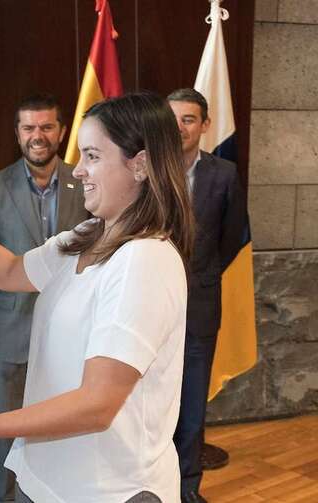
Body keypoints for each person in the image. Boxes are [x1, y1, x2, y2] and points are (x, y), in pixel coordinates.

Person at [0, 92, 195, 502]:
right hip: (49, 477)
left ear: (140, 165)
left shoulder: (145, 259)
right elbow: (10, 272)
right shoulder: (88, 235)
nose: (78, 170)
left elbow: (96, 405)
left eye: (93, 156)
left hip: (108, 491)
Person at [0, 93, 89, 503]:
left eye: (46, 127)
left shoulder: (87, 182)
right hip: (11, 334)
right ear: (17, 134)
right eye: (28, 128)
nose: (37, 136)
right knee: (5, 434)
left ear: (60, 131)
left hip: (71, 336)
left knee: (58, 436)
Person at [167, 88, 248, 503]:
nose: (180, 126)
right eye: (173, 118)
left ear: (204, 125)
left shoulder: (224, 174)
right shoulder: (146, 167)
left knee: (192, 409)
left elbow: (233, 237)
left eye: (189, 119)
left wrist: (201, 273)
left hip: (199, 309)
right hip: (149, 308)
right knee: (147, 407)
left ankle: (186, 489)